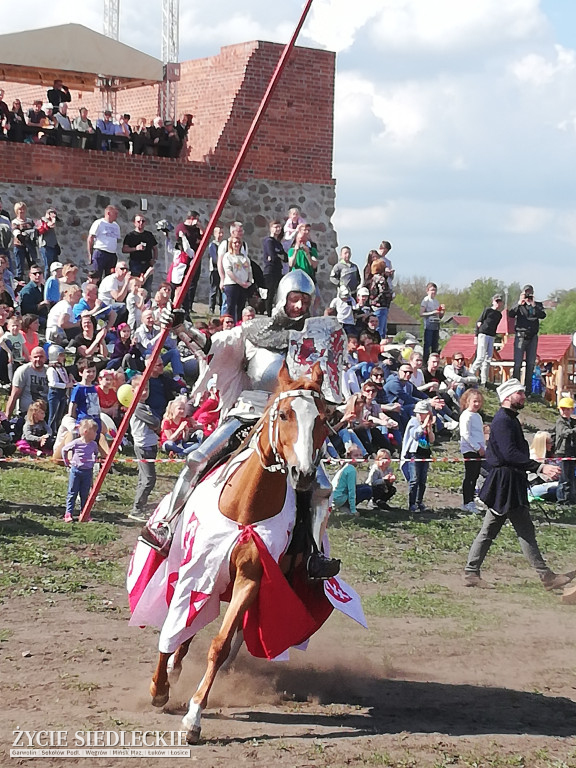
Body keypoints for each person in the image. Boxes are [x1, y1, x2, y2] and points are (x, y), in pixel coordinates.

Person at [142, 270, 345, 579]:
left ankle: (314, 556)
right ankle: (166, 525)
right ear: (282, 298)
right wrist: (182, 327)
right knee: (198, 459)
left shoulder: (313, 341)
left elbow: (324, 386)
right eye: (294, 299)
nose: (299, 307)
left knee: (321, 487)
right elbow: (214, 347)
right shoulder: (254, 331)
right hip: (250, 412)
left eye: (305, 302)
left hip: (291, 423)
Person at [463, 378, 574, 590]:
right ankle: (546, 577)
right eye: (519, 393)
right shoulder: (503, 421)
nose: (523, 397)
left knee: (506, 530)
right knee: (511, 530)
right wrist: (539, 468)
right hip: (505, 484)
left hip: (510, 482)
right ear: (507, 397)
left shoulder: (509, 419)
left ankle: (472, 572)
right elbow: (509, 454)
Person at [129, 374, 160, 522]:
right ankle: (136, 509)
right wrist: (156, 423)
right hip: (144, 445)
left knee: (144, 478)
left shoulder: (145, 406)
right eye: (141, 389)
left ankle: (140, 505)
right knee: (148, 479)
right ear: (133, 390)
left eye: (146, 389)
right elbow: (154, 422)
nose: (145, 392)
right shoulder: (138, 407)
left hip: (150, 444)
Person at [508, 284, 546, 397]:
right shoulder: (519, 305)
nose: (528, 295)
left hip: (532, 336)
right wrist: (520, 303)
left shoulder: (537, 305)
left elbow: (543, 315)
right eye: (526, 293)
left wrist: (533, 305)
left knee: (530, 364)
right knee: (517, 363)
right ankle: (515, 388)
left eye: (530, 292)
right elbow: (511, 314)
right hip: (521, 335)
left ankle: (528, 390)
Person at [62, 418, 99, 523]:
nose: (96, 434)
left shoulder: (93, 445)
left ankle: (84, 513)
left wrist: (93, 461)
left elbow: (96, 453)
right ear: (86, 432)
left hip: (87, 472)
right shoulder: (76, 443)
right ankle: (68, 513)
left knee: (85, 493)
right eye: (94, 432)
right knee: (72, 492)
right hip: (76, 470)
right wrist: (66, 462)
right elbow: (64, 449)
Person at [401, 399, 435, 513]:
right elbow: (415, 435)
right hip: (414, 453)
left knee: (422, 480)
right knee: (414, 479)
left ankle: (419, 501)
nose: (420, 416)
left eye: (423, 413)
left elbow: (432, 440)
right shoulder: (413, 422)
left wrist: (429, 428)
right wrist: (423, 426)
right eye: (418, 413)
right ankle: (412, 503)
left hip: (425, 453)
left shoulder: (429, 423)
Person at [459, 389, 486, 513]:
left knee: (475, 476)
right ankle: (467, 502)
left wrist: (483, 447)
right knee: (470, 476)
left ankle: (471, 500)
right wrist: (477, 447)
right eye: (474, 401)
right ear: (468, 401)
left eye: (479, 401)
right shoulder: (466, 415)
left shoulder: (477, 416)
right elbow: (465, 434)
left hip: (479, 449)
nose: (477, 404)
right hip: (470, 449)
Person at [5, 347, 49, 420]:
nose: (38, 359)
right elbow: (14, 395)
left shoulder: (49, 371)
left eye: (41, 357)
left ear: (45, 358)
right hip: (27, 413)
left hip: (45, 412)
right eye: (35, 357)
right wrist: (7, 418)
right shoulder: (23, 371)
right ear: (30, 358)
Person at [470, 294, 504, 385]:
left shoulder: (499, 315)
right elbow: (479, 322)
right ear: (493, 302)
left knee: (488, 358)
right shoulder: (487, 310)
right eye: (496, 301)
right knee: (480, 357)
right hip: (483, 334)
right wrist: (476, 336)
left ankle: (484, 381)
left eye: (499, 302)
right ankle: (470, 374)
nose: (498, 303)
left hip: (491, 335)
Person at [331, 444, 372, 516]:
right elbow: (351, 491)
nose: (359, 457)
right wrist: (353, 510)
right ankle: (346, 507)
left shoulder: (346, 466)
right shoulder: (351, 470)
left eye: (360, 455)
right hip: (339, 499)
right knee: (367, 490)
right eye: (356, 455)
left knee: (366, 486)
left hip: (335, 497)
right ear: (349, 457)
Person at [122, 215, 158, 294]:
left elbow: (155, 248)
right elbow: (124, 249)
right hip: (135, 263)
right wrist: (135, 248)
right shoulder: (130, 236)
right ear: (134, 223)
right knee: (135, 285)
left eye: (143, 221)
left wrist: (154, 259)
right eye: (138, 221)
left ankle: (146, 301)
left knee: (147, 287)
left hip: (147, 263)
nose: (141, 223)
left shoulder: (149, 235)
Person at [221, 235, 253, 323]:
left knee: (241, 308)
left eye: (239, 243)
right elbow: (228, 271)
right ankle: (229, 324)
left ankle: (239, 324)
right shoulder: (228, 256)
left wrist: (249, 282)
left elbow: (249, 270)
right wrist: (239, 282)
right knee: (230, 307)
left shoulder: (244, 257)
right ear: (231, 244)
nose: (237, 244)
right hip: (232, 284)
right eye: (235, 243)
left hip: (244, 285)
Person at [87, 205, 121, 278]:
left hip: (112, 254)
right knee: (97, 276)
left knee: (110, 277)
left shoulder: (116, 226)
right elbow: (90, 238)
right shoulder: (99, 223)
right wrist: (90, 254)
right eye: (115, 213)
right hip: (101, 252)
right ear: (108, 213)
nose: (117, 216)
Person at [262, 220, 287, 316]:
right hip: (270, 271)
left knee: (278, 292)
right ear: (271, 228)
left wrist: (278, 256)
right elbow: (272, 256)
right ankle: (268, 313)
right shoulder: (269, 241)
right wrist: (278, 256)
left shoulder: (278, 243)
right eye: (276, 227)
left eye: (279, 227)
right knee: (270, 292)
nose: (278, 229)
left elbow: (285, 258)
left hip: (278, 270)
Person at [46, 344, 73, 436]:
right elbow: (52, 383)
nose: (63, 357)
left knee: (60, 415)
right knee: (53, 415)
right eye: (61, 355)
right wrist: (66, 385)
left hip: (62, 394)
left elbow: (65, 379)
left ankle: (57, 431)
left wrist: (70, 381)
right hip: (55, 394)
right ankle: (50, 433)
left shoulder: (62, 368)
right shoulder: (51, 369)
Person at [554, 397, 576, 505]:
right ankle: (562, 501)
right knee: (564, 479)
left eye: (567, 409)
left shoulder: (572, 422)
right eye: (562, 409)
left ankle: (571, 499)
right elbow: (564, 432)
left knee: (571, 478)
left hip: (572, 452)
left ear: (572, 410)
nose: (564, 411)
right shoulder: (560, 422)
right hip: (563, 453)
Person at [420, 282, 444, 363]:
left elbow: (440, 316)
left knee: (435, 345)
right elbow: (421, 313)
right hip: (429, 324)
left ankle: (434, 361)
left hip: (436, 324)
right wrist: (432, 312)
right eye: (432, 290)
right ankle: (425, 362)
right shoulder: (426, 300)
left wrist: (442, 312)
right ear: (427, 291)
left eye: (435, 290)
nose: (434, 292)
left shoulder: (436, 301)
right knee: (427, 344)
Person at [369, 259, 393, 338]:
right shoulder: (381, 279)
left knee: (377, 327)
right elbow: (383, 292)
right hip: (381, 305)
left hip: (374, 305)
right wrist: (390, 296)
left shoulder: (373, 278)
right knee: (380, 329)